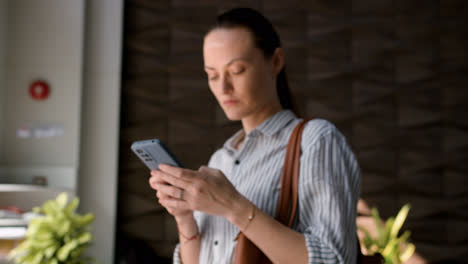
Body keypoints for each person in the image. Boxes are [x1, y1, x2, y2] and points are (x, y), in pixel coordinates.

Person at [149, 7, 360, 264]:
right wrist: (184, 218)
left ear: (276, 61)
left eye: (237, 71)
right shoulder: (220, 160)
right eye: (212, 75)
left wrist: (233, 206)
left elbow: (334, 260)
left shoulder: (316, 140)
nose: (223, 87)